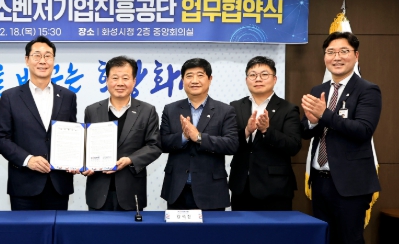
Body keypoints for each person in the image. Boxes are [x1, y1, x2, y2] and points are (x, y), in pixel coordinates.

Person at [301, 31, 381, 244]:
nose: (337, 57)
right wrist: (311, 120)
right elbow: (307, 130)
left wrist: (324, 114)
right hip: (321, 180)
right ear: (324, 57)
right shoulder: (319, 89)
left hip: (351, 183)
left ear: (356, 56)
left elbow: (362, 130)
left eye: (343, 51)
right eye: (331, 52)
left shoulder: (368, 90)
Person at [0, 36, 78, 210]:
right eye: (37, 55)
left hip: (58, 185)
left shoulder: (68, 97)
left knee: (58, 228)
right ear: (27, 60)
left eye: (47, 56)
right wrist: (28, 160)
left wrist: (75, 159)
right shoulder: (10, 97)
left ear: (53, 60)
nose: (42, 61)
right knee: (24, 229)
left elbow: (72, 135)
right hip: (24, 185)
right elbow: (2, 139)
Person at [82, 56, 161, 211]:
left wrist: (130, 160)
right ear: (107, 80)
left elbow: (154, 146)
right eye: (115, 78)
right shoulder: (92, 110)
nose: (120, 83)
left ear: (134, 81)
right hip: (98, 191)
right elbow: (86, 146)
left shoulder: (147, 111)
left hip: (131, 191)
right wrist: (85, 164)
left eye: (125, 78)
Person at [160, 58, 238, 210]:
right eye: (189, 76)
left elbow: (232, 144)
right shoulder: (170, 109)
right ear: (182, 80)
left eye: (200, 75)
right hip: (178, 190)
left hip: (212, 191)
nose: (194, 80)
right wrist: (184, 137)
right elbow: (162, 143)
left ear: (210, 79)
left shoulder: (225, 110)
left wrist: (199, 137)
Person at [228, 56, 302, 211]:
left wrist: (267, 130)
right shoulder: (235, 107)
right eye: (253, 75)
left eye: (264, 74)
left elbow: (293, 146)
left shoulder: (288, 109)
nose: (258, 79)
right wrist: (247, 131)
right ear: (246, 80)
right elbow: (229, 143)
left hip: (275, 188)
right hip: (241, 186)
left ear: (275, 79)